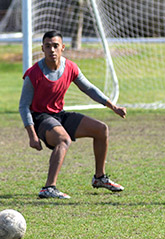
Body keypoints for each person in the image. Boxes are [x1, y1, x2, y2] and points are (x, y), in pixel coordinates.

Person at [19, 30, 126, 199]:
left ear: (63, 47)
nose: (52, 50)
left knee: (101, 129)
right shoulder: (33, 73)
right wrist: (32, 135)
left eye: (55, 46)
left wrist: (113, 106)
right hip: (40, 118)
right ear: (42, 49)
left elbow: (89, 88)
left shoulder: (70, 67)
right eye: (48, 46)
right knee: (63, 140)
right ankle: (49, 188)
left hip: (59, 115)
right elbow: (23, 106)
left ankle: (100, 178)